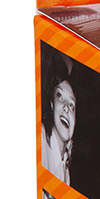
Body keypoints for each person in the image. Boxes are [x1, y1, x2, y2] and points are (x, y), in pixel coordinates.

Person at [41, 55, 76, 184]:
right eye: (60, 96)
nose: (66, 107)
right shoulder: (41, 139)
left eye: (72, 105)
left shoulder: (64, 164)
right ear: (52, 105)